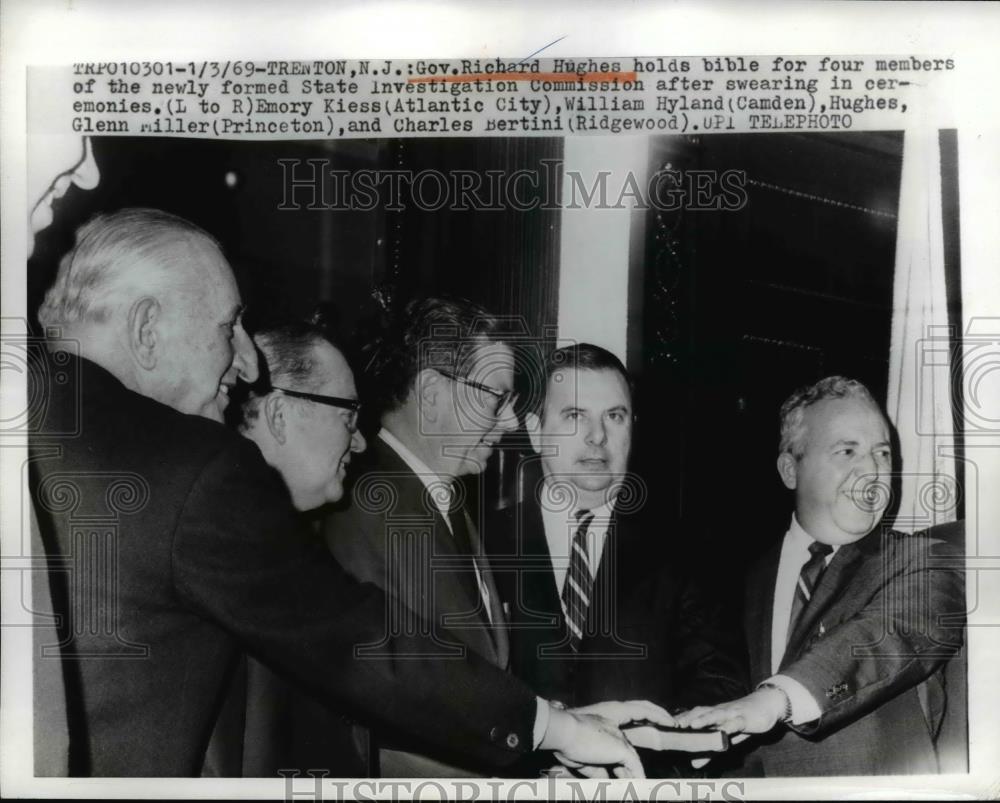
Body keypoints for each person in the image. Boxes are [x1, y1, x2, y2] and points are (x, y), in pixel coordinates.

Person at [27, 207, 663, 777]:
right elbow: (355, 646)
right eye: (229, 328)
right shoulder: (196, 470)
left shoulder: (28, 423)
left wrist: (547, 724)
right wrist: (549, 728)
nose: (248, 364)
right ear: (145, 329)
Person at [677, 376, 966, 775]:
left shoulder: (926, 559)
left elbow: (883, 638)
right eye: (847, 451)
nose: (871, 470)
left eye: (882, 453)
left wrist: (776, 700)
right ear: (789, 470)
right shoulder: (731, 581)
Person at [485, 343, 747, 775]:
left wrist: (636, 766)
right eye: (574, 416)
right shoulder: (484, 543)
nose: (597, 436)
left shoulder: (689, 552)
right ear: (535, 430)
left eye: (615, 416)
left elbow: (718, 688)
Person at [322, 296, 527, 776]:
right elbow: (385, 719)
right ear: (433, 392)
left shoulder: (445, 500)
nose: (511, 422)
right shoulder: (363, 506)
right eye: (497, 398)